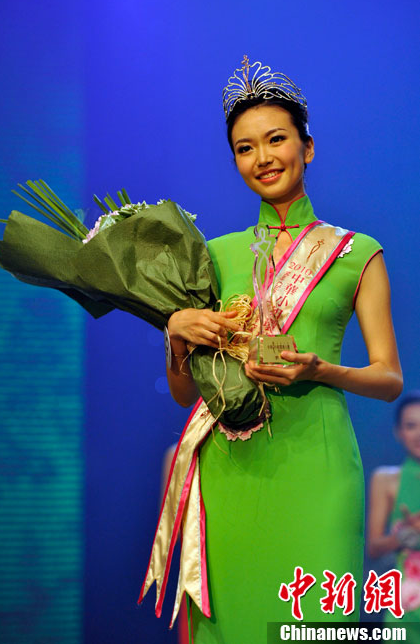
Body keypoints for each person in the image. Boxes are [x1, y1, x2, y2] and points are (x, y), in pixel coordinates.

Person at [159, 57, 403, 642]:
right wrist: (175, 335)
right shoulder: (213, 255)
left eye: (276, 140)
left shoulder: (356, 252)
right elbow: (185, 393)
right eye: (245, 149)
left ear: (307, 148)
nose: (262, 158)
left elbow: (389, 378)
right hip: (230, 469)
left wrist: (321, 369)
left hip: (317, 467)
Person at [367, 392, 420, 641]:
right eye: (411, 426)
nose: (419, 434)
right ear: (398, 432)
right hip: (406, 612)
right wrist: (406, 534)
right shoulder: (386, 480)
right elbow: (374, 547)